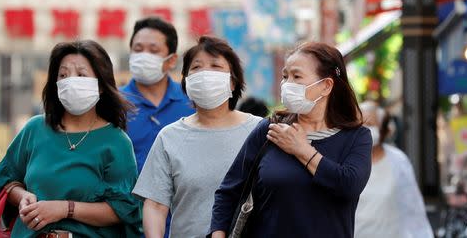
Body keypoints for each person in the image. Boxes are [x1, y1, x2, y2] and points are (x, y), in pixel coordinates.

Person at [209, 42, 371, 238]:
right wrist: (218, 234)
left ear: (326, 86)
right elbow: (229, 190)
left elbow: (349, 186)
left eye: (297, 76)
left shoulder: (356, 136)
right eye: (285, 76)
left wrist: (302, 149)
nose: (287, 84)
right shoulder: (270, 129)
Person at [0, 40, 142, 237]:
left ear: (101, 86)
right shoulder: (35, 128)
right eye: (63, 75)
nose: (71, 81)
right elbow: (4, 180)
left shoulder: (116, 142)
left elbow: (124, 209)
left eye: (81, 74)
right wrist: (23, 197)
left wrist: (65, 209)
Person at [134, 36, 263, 238]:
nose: (205, 74)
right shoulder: (169, 137)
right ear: (186, 80)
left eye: (215, 66)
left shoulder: (258, 130)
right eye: (196, 67)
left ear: (232, 82)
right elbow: (156, 205)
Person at [121, 17, 195, 172]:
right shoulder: (113, 103)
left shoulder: (192, 101)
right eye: (138, 49)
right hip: (128, 196)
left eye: (153, 51)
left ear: (172, 60)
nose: (143, 56)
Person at [354, 102, 432, 238]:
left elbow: (413, 206)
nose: (364, 129)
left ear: (384, 129)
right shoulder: (345, 160)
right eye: (359, 124)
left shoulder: (398, 160)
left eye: (370, 124)